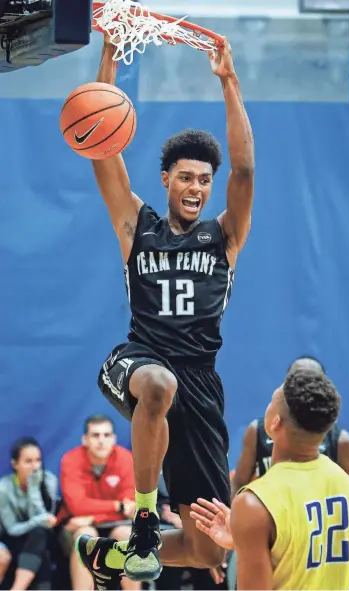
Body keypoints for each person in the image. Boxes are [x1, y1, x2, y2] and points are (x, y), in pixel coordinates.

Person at [75, 33, 254, 587]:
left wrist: (229, 81)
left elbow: (244, 174)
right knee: (157, 383)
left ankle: (112, 556)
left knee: (206, 551)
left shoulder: (222, 237)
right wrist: (107, 58)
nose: (197, 186)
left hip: (200, 387)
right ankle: (146, 518)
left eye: (204, 179)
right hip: (139, 361)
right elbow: (102, 146)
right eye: (186, 177)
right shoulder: (138, 226)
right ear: (166, 181)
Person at [191, 369, 349, 590]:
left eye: (271, 402)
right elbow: (306, 555)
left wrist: (249, 534)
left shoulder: (255, 502)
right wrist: (246, 541)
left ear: (275, 423)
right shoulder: (347, 486)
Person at [230, 356, 349, 497]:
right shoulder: (257, 431)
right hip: (268, 512)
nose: (304, 386)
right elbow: (238, 483)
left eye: (311, 380)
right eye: (297, 379)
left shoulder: (342, 441)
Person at [56, 415, 138, 590]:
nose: (101, 441)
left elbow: (129, 505)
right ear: (85, 440)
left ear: (114, 439)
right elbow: (77, 506)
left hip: (114, 525)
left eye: (107, 435)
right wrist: (117, 506)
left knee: (126, 535)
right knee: (86, 536)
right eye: (95, 435)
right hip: (75, 528)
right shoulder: (70, 460)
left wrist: (92, 517)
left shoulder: (126, 459)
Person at [0, 437, 58, 590]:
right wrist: (39, 521)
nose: (35, 467)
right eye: (28, 461)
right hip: (15, 538)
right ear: (15, 464)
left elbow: (47, 523)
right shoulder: (3, 488)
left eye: (38, 460)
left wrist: (33, 489)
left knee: (39, 534)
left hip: (45, 537)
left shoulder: (50, 480)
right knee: (41, 553)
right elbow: (12, 529)